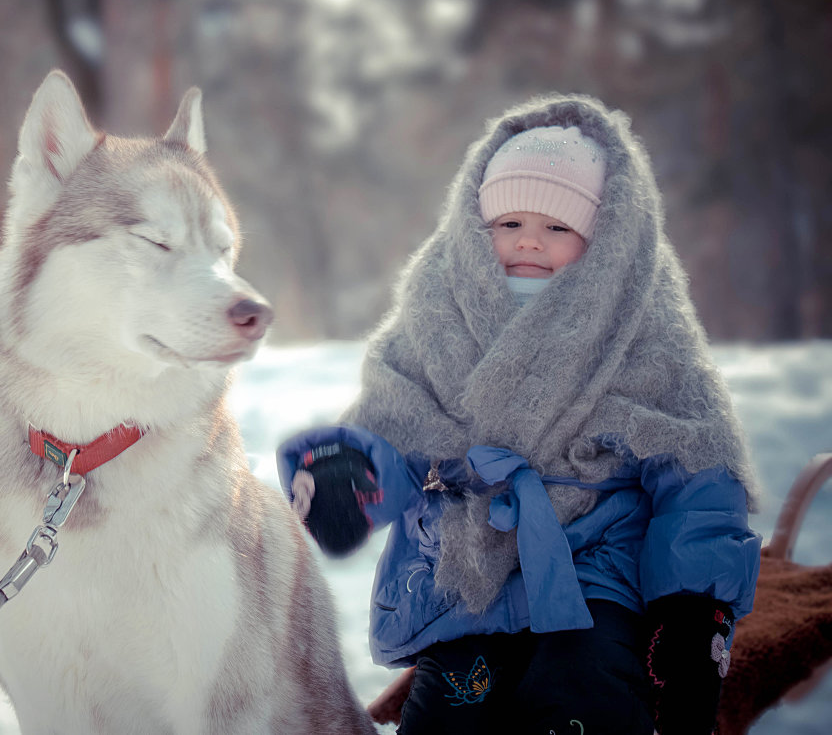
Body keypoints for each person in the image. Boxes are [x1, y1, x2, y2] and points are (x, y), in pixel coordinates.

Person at [277, 95, 762, 735]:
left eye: (558, 228)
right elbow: (394, 434)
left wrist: (692, 608)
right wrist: (350, 473)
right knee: (453, 707)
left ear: (605, 238)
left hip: (597, 569)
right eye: (508, 224)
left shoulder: (643, 322)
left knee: (588, 695)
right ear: (475, 227)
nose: (529, 239)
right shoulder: (435, 311)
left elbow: (697, 472)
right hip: (472, 572)